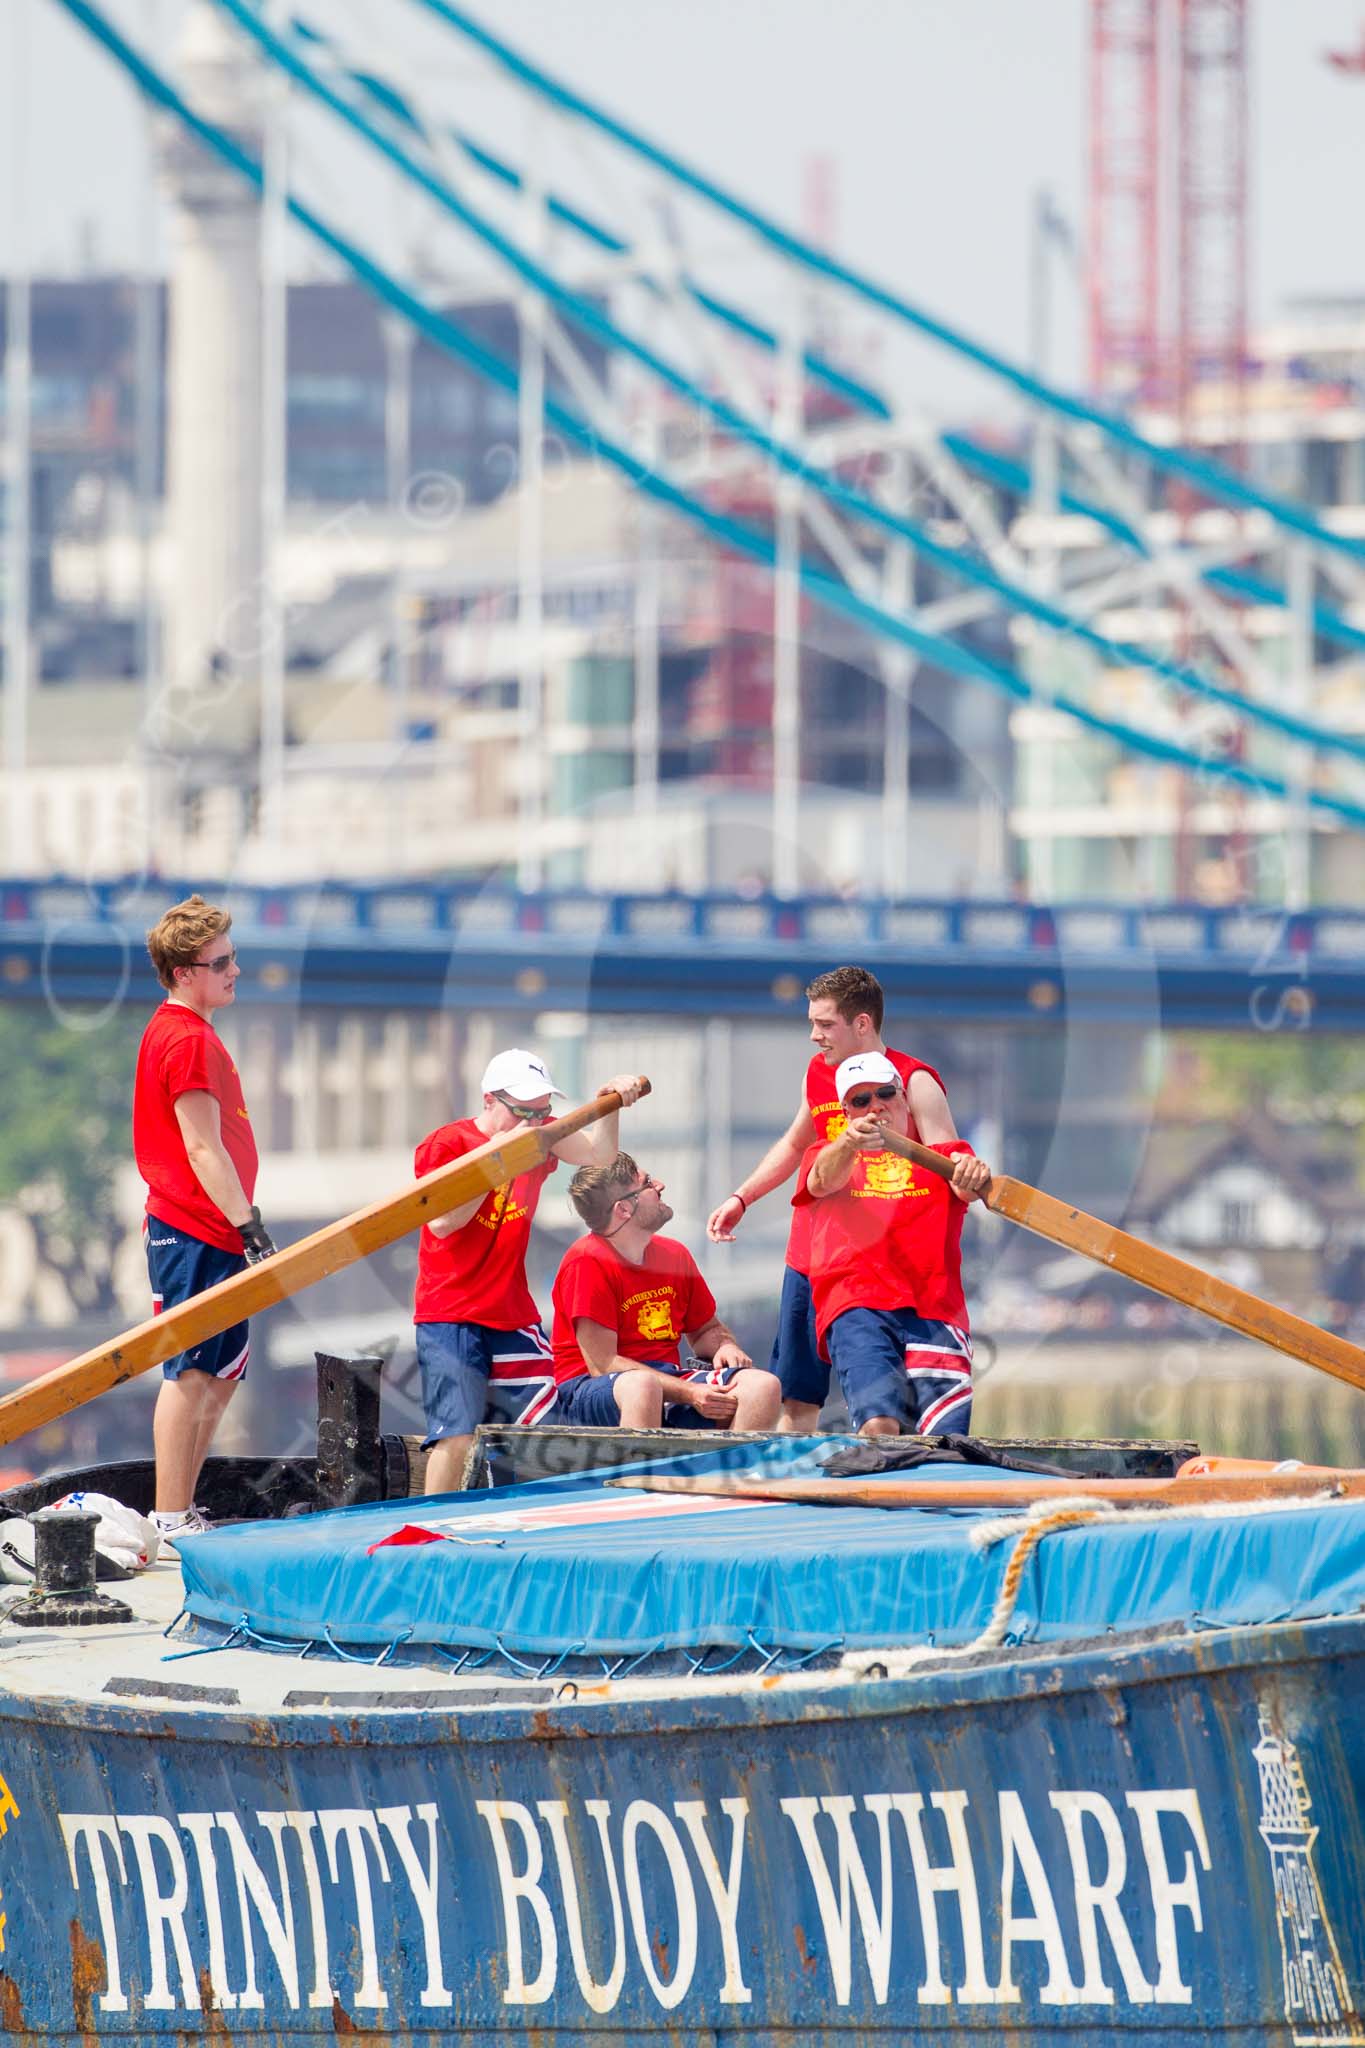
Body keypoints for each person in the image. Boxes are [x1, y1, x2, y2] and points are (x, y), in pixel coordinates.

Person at [706, 964, 965, 1432]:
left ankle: (895, 1475)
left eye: (824, 1025)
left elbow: (950, 1173)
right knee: (798, 1395)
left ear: (861, 1024)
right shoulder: (819, 1074)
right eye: (812, 1024)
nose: (813, 1036)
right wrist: (742, 1198)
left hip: (882, 1270)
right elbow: (793, 1145)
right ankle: (791, 1492)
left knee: (889, 1409)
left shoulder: (915, 1082)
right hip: (810, 1256)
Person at [414, 1051, 644, 1494]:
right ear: (489, 1101)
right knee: (456, 1434)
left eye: (542, 1113)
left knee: (545, 1429)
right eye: (523, 1112)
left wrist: (611, 1103)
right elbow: (443, 1222)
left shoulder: (538, 1138)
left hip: (511, 1312)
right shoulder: (447, 1145)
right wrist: (494, 1161)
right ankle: (432, 1532)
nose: (534, 1124)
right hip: (449, 1313)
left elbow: (599, 1156)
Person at [135, 895, 277, 1546]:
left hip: (214, 1229)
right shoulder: (185, 1038)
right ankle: (167, 1517)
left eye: (234, 957)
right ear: (184, 972)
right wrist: (249, 1225)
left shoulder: (196, 1033)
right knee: (190, 1372)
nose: (235, 970)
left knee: (219, 1377)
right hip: (190, 1227)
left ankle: (181, 1511)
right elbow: (200, 1146)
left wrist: (240, 1225)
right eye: (221, 962)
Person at [795, 1051, 991, 1437]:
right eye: (861, 1100)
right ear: (847, 1112)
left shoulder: (945, 1156)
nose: (875, 1107)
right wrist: (849, 1144)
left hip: (934, 1310)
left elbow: (968, 1189)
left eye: (885, 1093)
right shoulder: (827, 1154)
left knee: (943, 1439)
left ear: (904, 1099)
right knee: (879, 1424)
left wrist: (974, 1173)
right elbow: (820, 1181)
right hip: (858, 1306)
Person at [551, 1153, 781, 1431]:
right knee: (642, 1386)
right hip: (590, 1390)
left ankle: (729, 1474)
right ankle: (640, 1475)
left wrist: (725, 1346)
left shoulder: (675, 1254)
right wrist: (690, 1393)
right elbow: (604, 1365)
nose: (660, 1185)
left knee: (763, 1386)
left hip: (665, 1380)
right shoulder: (586, 1261)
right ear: (623, 1209)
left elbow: (706, 1329)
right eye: (647, 1182)